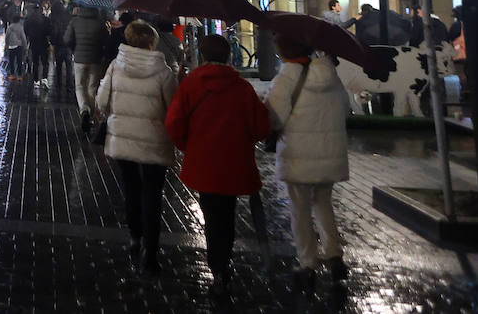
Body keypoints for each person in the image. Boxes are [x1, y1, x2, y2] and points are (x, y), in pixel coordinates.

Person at [164, 36, 271, 296]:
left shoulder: (192, 84)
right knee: (228, 214)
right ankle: (224, 260)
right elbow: (261, 127)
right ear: (228, 55)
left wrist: (188, 147)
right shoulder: (242, 87)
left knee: (211, 216)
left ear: (202, 55)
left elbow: (174, 123)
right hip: (234, 162)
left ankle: (218, 267)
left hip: (203, 162)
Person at [265, 33, 351, 294]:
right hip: (329, 153)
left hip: (298, 155)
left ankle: (307, 264)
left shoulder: (285, 78)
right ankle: (334, 255)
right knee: (323, 203)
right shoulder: (330, 74)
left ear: (284, 52)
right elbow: (345, 108)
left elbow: (274, 118)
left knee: (300, 210)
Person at [96, 20, 177, 276]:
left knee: (131, 188)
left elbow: (101, 101)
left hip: (123, 137)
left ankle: (134, 236)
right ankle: (150, 251)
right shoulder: (164, 71)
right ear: (152, 42)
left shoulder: (115, 66)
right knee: (153, 195)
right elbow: (174, 108)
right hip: (155, 141)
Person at [65, 0, 108, 132]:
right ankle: (91, 117)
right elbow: (106, 41)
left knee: (80, 86)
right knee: (92, 87)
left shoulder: (75, 21)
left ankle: (84, 110)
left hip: (79, 59)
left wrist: (74, 50)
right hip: (95, 59)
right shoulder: (100, 23)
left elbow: (67, 39)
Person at [24, 2, 51, 87]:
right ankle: (44, 78)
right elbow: (49, 31)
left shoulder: (28, 20)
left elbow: (26, 31)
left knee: (35, 63)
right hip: (44, 43)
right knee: (45, 62)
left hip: (33, 43)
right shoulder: (46, 19)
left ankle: (36, 80)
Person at [4, 9, 27, 81]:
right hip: (19, 46)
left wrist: (6, 46)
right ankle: (19, 76)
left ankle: (12, 75)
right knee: (19, 61)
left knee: (11, 61)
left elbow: (7, 37)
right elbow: (23, 38)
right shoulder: (20, 27)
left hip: (11, 46)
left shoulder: (9, 27)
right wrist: (25, 47)